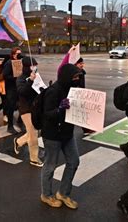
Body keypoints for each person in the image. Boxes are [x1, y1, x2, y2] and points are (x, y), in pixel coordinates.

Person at [40, 63, 81, 209]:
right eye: (75, 76)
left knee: (74, 161)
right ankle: (46, 194)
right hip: (52, 135)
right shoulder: (53, 91)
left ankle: (63, 193)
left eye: (78, 77)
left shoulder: (72, 89)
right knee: (50, 166)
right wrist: (60, 109)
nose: (77, 79)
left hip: (67, 133)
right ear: (67, 77)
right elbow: (47, 114)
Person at [14, 57, 43, 167]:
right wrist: (30, 81)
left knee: (34, 131)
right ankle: (34, 158)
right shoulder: (20, 79)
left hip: (35, 108)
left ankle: (18, 142)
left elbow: (39, 90)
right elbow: (22, 92)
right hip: (25, 109)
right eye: (33, 65)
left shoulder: (37, 76)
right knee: (34, 133)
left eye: (35, 65)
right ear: (27, 67)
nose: (35, 68)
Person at [2, 47, 23, 134]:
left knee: (21, 105)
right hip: (11, 88)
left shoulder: (20, 62)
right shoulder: (8, 63)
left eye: (20, 53)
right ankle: (10, 126)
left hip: (18, 87)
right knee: (11, 107)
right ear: (13, 54)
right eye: (18, 53)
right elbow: (5, 76)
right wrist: (15, 77)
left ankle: (20, 121)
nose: (19, 55)